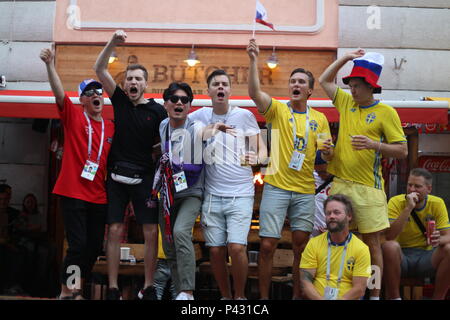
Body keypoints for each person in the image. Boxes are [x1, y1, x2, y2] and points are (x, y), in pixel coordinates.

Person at [247, 38, 333, 299]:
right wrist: (253, 59)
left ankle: (297, 295)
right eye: (292, 81)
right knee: (267, 245)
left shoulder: (319, 119)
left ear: (309, 91)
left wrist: (329, 151)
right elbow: (254, 93)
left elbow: (325, 157)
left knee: (301, 246)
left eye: (301, 82)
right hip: (275, 187)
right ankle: (263, 299)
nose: (295, 85)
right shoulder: (277, 110)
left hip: (306, 190)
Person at [319, 49, 408, 299]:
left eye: (357, 86)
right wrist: (345, 59)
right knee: (337, 239)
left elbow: (402, 150)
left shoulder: (387, 112)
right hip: (341, 185)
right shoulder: (346, 102)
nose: (352, 91)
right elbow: (323, 80)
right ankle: (338, 292)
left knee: (372, 244)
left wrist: (374, 145)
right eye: (350, 85)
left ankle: (375, 294)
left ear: (371, 87)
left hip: (369, 188)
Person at [94, 30, 167, 300]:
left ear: (146, 84)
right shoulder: (119, 100)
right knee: (113, 229)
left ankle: (148, 286)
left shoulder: (158, 111)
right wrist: (113, 43)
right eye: (129, 79)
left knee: (150, 231)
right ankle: (112, 288)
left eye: (138, 78)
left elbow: (167, 143)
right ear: (124, 84)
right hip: (115, 176)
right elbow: (99, 68)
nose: (133, 82)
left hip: (145, 177)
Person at [40, 47, 114, 300]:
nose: (96, 95)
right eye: (89, 93)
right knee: (78, 245)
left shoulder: (110, 127)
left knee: (93, 248)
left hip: (98, 196)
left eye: (99, 92)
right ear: (82, 100)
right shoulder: (74, 117)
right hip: (72, 191)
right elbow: (59, 94)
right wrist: (50, 65)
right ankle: (67, 291)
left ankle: (77, 288)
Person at [189, 69, 267, 300]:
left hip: (241, 193)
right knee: (214, 249)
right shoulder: (199, 115)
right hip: (212, 195)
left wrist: (259, 158)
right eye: (216, 84)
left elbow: (261, 148)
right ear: (209, 90)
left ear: (230, 90)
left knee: (236, 247)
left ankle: (240, 297)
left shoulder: (243, 116)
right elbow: (180, 130)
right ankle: (225, 296)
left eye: (224, 84)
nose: (220, 88)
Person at [151, 81, 204, 300]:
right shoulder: (163, 125)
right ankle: (179, 293)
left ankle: (188, 291)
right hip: (168, 193)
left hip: (191, 191)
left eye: (184, 100)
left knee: (182, 232)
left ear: (190, 106)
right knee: (169, 242)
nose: (179, 103)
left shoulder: (197, 128)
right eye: (174, 99)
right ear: (166, 104)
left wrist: (174, 162)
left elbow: (197, 165)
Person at [382, 168, 450, 300]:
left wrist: (438, 240)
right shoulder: (396, 202)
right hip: (401, 257)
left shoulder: (437, 203)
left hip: (426, 257)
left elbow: (447, 236)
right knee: (389, 246)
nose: (412, 189)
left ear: (428, 189)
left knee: (449, 249)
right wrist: (408, 208)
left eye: (417, 186)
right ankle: (395, 298)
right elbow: (389, 236)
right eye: (409, 185)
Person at [300, 194, 371, 300]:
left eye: (336, 212)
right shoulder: (313, 243)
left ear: (349, 216)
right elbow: (305, 281)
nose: (331, 216)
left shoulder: (362, 249)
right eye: (328, 213)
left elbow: (360, 288)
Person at [312, 151, 334, 237]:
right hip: (312, 231)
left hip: (335, 231)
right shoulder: (311, 176)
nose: (322, 175)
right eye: (318, 172)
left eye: (324, 172)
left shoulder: (342, 180)